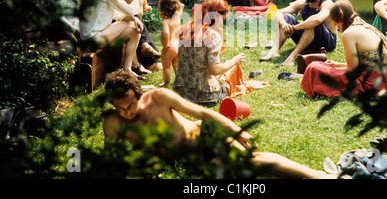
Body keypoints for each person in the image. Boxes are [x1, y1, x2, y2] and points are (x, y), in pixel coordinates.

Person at [102, 70, 335, 179]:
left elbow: (205, 114)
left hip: (204, 136)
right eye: (120, 108)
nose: (127, 112)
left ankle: (318, 176)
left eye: (130, 105)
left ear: (139, 94)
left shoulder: (159, 98)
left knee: (249, 161)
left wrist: (236, 130)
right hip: (192, 159)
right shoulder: (114, 123)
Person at [300, 0, 387, 98]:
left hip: (369, 85)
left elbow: (352, 70)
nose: (335, 24)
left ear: (341, 14)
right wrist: (338, 65)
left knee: (314, 67)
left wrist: (336, 68)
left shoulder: (349, 33)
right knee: (325, 66)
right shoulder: (367, 26)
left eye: (335, 20)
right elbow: (363, 64)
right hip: (385, 81)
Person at [173, 0, 245, 104]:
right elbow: (215, 70)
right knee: (229, 80)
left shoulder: (185, 29)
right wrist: (234, 61)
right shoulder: (212, 36)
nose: (222, 23)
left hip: (181, 92)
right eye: (222, 19)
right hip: (205, 94)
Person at [79, 0, 145, 77]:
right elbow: (131, 10)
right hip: (93, 39)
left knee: (135, 31)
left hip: (91, 38)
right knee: (130, 25)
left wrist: (133, 19)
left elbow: (116, 15)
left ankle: (127, 69)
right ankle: (131, 68)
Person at [260, 0, 337, 66]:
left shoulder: (327, 3)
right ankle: (274, 51)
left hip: (327, 42)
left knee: (311, 23)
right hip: (310, 39)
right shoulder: (303, 2)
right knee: (285, 17)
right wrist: (284, 24)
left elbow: (317, 20)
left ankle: (292, 58)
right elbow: (279, 12)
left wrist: (294, 27)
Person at [119, 0, 161, 74]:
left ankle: (150, 61)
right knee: (136, 17)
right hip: (131, 22)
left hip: (140, 25)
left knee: (142, 33)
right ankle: (145, 45)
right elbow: (117, 3)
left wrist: (147, 8)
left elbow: (144, 4)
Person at [158, 0, 183, 87]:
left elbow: (166, 34)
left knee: (166, 67)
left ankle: (166, 83)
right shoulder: (178, 19)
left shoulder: (165, 22)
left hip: (170, 47)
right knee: (176, 65)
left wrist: (165, 45)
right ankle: (180, 81)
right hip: (177, 45)